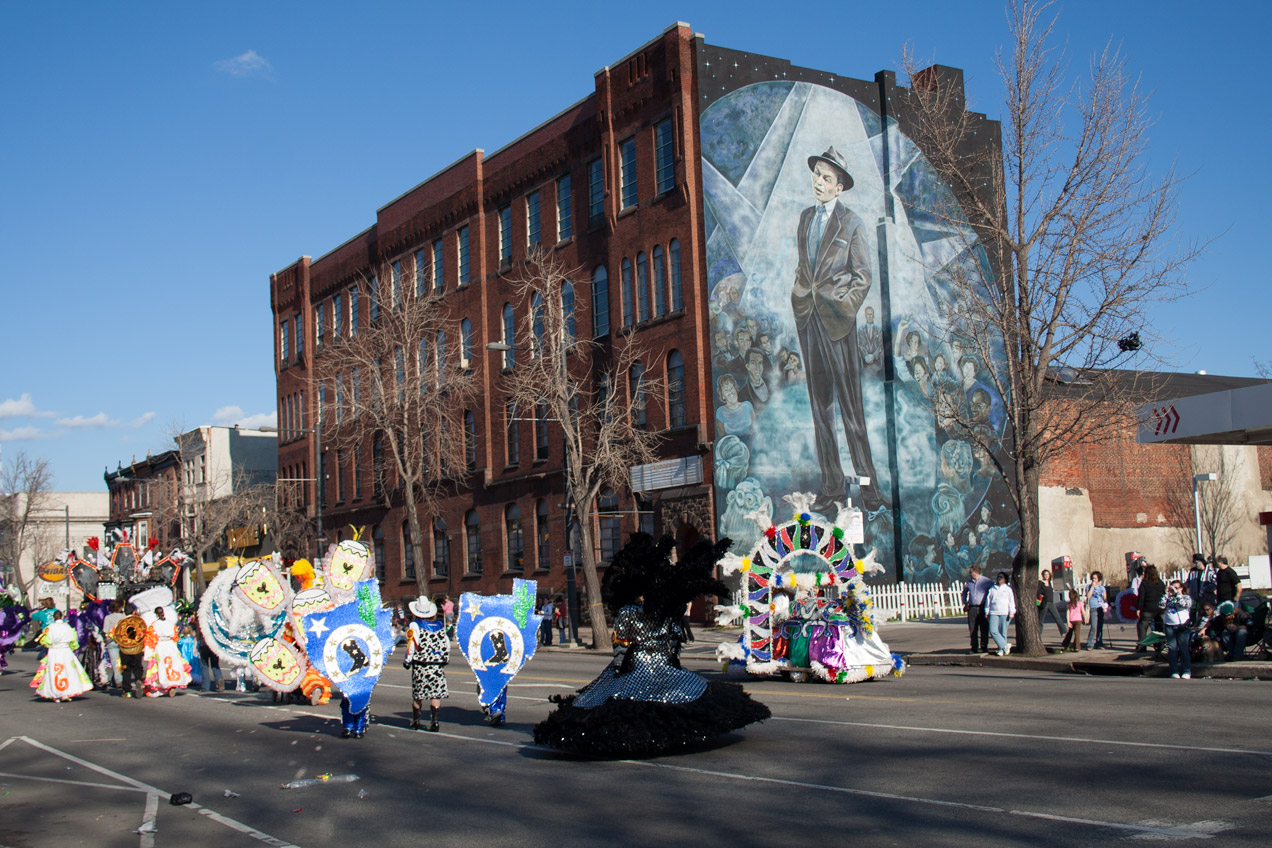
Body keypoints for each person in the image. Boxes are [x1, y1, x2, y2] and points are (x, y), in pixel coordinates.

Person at [533, 534, 770, 756]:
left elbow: (621, 650)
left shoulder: (628, 612)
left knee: (620, 704)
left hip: (636, 667)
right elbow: (674, 644)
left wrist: (617, 670)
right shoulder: (666, 614)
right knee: (677, 699)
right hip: (663, 667)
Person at [791, 147, 882, 513]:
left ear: (839, 187)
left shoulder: (852, 222)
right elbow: (804, 268)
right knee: (820, 408)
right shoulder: (804, 219)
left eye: (827, 178)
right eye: (817, 175)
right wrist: (799, 296)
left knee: (851, 410)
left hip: (838, 324)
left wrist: (843, 306)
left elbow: (863, 277)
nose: (819, 182)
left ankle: (871, 491)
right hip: (809, 321)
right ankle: (830, 485)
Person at [404, 596, 449, 732]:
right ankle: (434, 722)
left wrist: (407, 660)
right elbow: (446, 644)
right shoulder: (440, 625)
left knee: (419, 693)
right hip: (436, 664)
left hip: (421, 663)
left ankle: (416, 721)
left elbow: (412, 645)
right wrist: (445, 658)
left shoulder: (415, 626)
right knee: (435, 693)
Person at [30, 610, 93, 701]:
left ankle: (56, 694)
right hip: (66, 651)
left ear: (53, 618)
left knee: (54, 672)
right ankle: (66, 693)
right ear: (62, 617)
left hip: (54, 651)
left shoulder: (50, 628)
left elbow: (44, 641)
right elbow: (74, 641)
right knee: (68, 671)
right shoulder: (67, 627)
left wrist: (52, 644)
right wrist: (70, 647)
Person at [142, 606, 192, 697]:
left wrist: (148, 654)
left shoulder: (154, 625)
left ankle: (163, 685)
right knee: (173, 665)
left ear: (156, 614)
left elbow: (150, 639)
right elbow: (175, 637)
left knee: (161, 666)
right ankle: (173, 684)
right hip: (170, 645)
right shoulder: (170, 624)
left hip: (160, 646)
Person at [1162, 580, 1193, 679]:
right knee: (1172, 649)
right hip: (1169, 625)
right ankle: (1174, 671)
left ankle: (1186, 670)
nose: (1174, 589)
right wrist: (1166, 594)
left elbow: (1184, 604)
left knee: (1183, 648)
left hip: (1182, 625)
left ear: (1181, 588)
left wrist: (1177, 594)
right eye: (1173, 587)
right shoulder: (1169, 598)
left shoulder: (1186, 597)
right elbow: (1161, 605)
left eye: (1177, 587)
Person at [1135, 565, 1166, 654]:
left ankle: (1142, 646)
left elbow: (1141, 597)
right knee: (1159, 628)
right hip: (1160, 608)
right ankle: (1160, 646)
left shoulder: (1144, 583)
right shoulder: (1160, 582)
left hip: (1148, 608)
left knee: (1142, 626)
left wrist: (1138, 609)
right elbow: (1164, 594)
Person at [984, 572, 1016, 656]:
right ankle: (1005, 645)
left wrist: (1012, 612)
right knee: (993, 630)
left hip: (1004, 612)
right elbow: (988, 601)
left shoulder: (1008, 589)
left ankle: (1001, 650)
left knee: (1003, 632)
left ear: (1005, 579)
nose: (999, 578)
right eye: (998, 577)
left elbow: (1011, 601)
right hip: (993, 612)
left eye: (1001, 577)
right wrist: (986, 611)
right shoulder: (992, 588)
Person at [961, 565, 992, 653]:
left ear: (976, 572)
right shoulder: (969, 582)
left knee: (984, 628)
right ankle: (974, 647)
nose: (971, 574)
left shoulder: (986, 581)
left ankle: (984, 646)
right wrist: (965, 601)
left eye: (972, 572)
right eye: (970, 572)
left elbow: (993, 591)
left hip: (982, 606)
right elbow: (964, 592)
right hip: (972, 607)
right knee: (972, 628)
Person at [101, 600, 125, 690]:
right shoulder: (123, 616)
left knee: (115, 661)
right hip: (122, 640)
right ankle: (122, 678)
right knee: (122, 661)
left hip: (112, 641)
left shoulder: (108, 617)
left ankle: (118, 680)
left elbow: (105, 630)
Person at [1035, 569, 1066, 638]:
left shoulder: (1050, 582)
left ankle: (1064, 631)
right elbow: (1038, 592)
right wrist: (1043, 589)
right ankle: (1039, 634)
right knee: (1041, 620)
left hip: (1051, 603)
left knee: (1057, 617)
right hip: (1044, 603)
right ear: (1043, 575)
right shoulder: (1040, 583)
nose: (1046, 576)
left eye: (1047, 574)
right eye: (1045, 574)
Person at [1084, 571, 1108, 650]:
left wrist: (1106, 605)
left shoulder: (1102, 588)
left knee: (1100, 626)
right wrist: (1092, 587)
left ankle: (1099, 643)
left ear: (1098, 579)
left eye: (1095, 578)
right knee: (1093, 627)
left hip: (1100, 608)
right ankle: (1090, 644)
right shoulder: (1089, 587)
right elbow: (1088, 596)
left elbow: (1105, 597)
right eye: (1093, 578)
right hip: (1093, 607)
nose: (1094, 580)